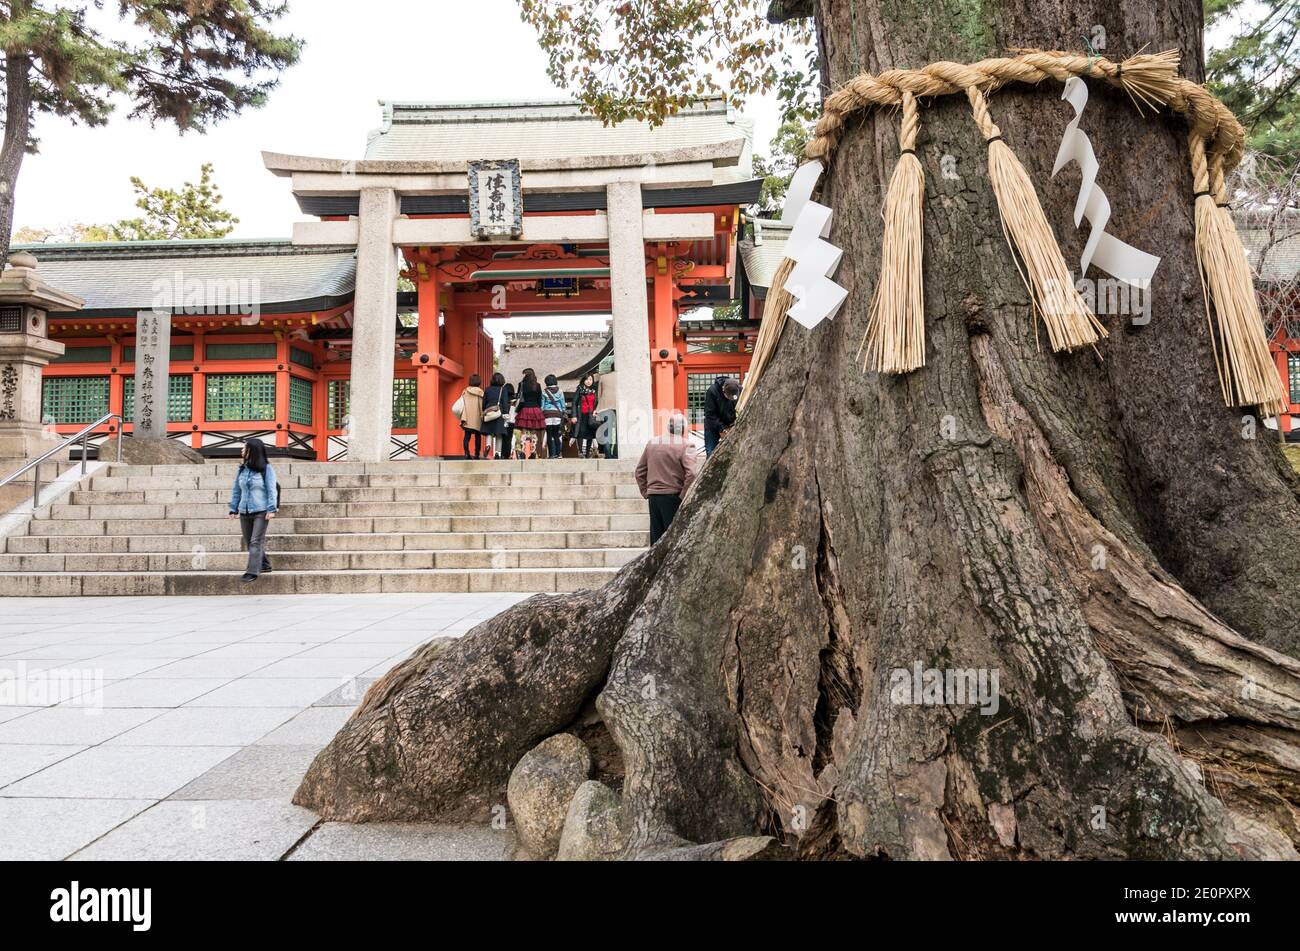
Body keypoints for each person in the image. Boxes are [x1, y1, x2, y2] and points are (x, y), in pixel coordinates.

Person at [635, 414, 698, 544]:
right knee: (673, 539)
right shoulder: (686, 445)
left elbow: (639, 472)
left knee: (656, 537)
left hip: (653, 496)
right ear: (683, 429)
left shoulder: (652, 443)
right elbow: (691, 474)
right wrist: (683, 495)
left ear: (668, 427)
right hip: (673, 496)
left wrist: (645, 491)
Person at [227, 438, 278, 583]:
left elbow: (271, 490)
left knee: (256, 542)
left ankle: (252, 571)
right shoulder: (242, 469)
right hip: (244, 511)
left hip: (261, 511)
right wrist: (233, 508)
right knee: (250, 542)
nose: (241, 451)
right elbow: (237, 490)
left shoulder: (266, 469)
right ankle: (265, 564)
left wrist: (271, 509)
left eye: (244, 448)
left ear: (252, 450)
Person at [513, 368, 547, 459]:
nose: (522, 376)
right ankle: (533, 451)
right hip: (535, 409)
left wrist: (517, 409)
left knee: (523, 431)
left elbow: (519, 397)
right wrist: (538, 408)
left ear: (526, 374)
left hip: (525, 409)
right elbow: (540, 399)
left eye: (523, 374)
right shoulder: (538, 385)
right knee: (533, 431)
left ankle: (523, 451)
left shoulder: (522, 384)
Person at [703, 376, 740, 457]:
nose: (730, 399)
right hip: (712, 425)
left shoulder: (738, 389)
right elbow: (709, 414)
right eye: (728, 397)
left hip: (730, 425)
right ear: (723, 391)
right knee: (711, 453)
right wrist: (722, 428)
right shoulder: (712, 391)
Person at [481, 372, 509, 459]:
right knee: (499, 434)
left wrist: (484, 410)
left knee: (489, 432)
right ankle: (497, 453)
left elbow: (484, 403)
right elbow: (505, 402)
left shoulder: (487, 389)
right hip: (499, 413)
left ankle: (488, 445)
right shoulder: (503, 389)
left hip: (489, 412)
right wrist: (506, 413)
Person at [457, 374, 485, 459]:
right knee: (478, 437)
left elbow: (462, 404)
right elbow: (481, 405)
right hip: (477, 418)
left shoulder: (465, 391)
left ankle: (466, 453)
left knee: (467, 436)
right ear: (479, 382)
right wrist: (482, 416)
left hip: (467, 417)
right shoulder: (480, 392)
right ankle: (476, 454)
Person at [540, 374, 568, 459]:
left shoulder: (544, 391)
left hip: (548, 414)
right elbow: (562, 403)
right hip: (557, 414)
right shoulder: (560, 391)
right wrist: (563, 411)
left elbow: (542, 405)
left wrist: (542, 412)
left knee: (549, 434)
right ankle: (558, 453)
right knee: (556, 435)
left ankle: (551, 454)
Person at [572, 372, 599, 458]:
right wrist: (574, 415)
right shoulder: (580, 389)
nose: (588, 381)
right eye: (587, 379)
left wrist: (596, 410)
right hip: (581, 415)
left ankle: (587, 452)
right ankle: (580, 452)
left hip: (591, 415)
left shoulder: (594, 390)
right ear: (583, 380)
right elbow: (574, 403)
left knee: (590, 434)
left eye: (590, 379)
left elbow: (597, 403)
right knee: (580, 433)